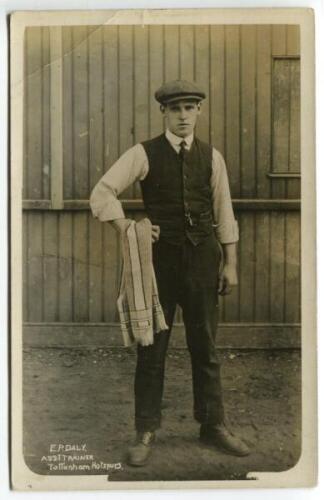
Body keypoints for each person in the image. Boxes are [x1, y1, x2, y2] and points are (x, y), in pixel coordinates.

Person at [90, 79, 251, 466]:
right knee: (152, 349)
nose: (183, 115)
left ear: (198, 112)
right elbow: (102, 192)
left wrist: (229, 264)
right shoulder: (143, 154)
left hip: (201, 263)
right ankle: (145, 430)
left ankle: (213, 426)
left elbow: (223, 212)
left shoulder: (212, 157)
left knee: (206, 348)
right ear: (164, 112)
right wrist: (127, 226)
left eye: (190, 108)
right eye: (176, 108)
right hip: (157, 265)